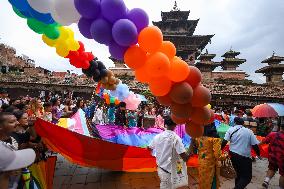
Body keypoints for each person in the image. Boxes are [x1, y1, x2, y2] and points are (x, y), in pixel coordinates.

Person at [148, 116, 191, 189]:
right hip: (170, 172)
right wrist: (192, 145)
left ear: (165, 125)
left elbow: (149, 148)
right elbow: (185, 158)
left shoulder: (158, 136)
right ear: (175, 125)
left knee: (165, 185)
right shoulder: (176, 138)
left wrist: (158, 154)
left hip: (161, 169)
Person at [221, 117, 261, 189]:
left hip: (232, 155)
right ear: (243, 124)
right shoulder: (249, 131)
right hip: (244, 157)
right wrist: (258, 154)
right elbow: (255, 145)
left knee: (239, 174)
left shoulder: (230, 129)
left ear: (235, 123)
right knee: (247, 177)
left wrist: (220, 150)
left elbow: (224, 142)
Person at [191, 124, 222, 189]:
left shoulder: (198, 136)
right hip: (211, 164)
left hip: (201, 162)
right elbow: (218, 155)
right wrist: (225, 155)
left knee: (202, 180)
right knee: (210, 182)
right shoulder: (215, 138)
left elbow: (194, 150)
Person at [260, 124, 284, 189]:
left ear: (280, 127)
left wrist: (256, 146)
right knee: (283, 174)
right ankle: (280, 187)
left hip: (273, 156)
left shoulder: (273, 134)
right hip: (282, 158)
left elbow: (263, 142)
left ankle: (266, 181)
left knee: (272, 168)